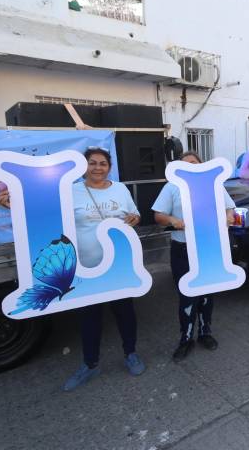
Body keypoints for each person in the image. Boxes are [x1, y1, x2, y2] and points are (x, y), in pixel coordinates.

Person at [68, 147, 145, 390]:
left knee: (125, 313)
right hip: (86, 267)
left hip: (120, 266)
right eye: (93, 163)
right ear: (84, 166)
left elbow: (135, 214)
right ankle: (90, 364)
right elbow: (46, 212)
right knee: (89, 318)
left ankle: (130, 354)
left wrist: (135, 218)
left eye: (103, 163)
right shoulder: (71, 191)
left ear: (109, 167)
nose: (98, 168)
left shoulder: (120, 189)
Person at [152, 151, 236, 361]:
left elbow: (229, 208)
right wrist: (173, 220)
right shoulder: (172, 187)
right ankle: (186, 338)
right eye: (186, 163)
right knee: (187, 295)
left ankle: (205, 333)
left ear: (201, 165)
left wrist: (228, 218)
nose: (191, 166)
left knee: (207, 294)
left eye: (194, 162)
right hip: (183, 249)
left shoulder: (214, 184)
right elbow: (158, 216)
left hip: (209, 248)